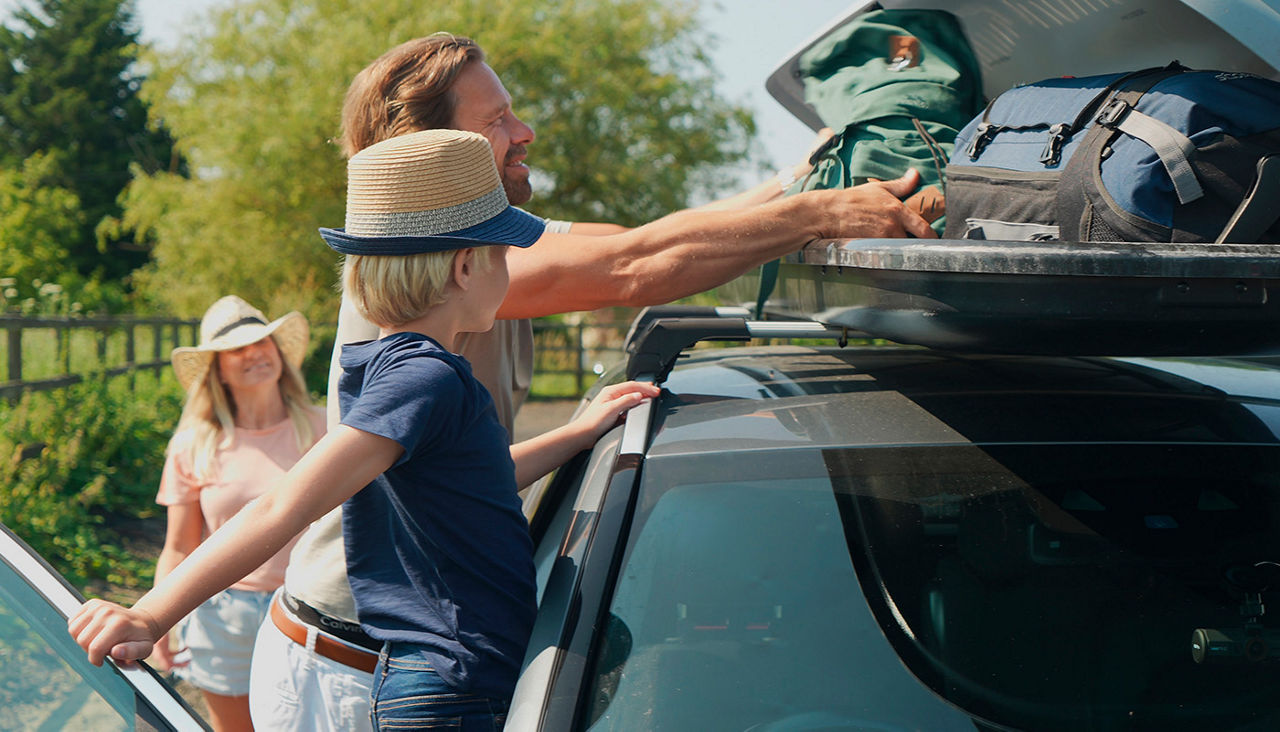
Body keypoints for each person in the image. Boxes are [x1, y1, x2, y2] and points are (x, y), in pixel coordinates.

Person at [252, 32, 938, 731]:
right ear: (433, 158)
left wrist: (797, 185)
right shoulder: (435, 259)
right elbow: (629, 270)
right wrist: (819, 216)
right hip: (361, 669)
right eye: (494, 123)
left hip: (410, 660)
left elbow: (636, 238)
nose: (524, 133)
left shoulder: (485, 238)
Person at [69, 128, 660, 729]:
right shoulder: (425, 380)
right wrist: (149, 616)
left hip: (445, 677)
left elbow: (476, 480)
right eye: (504, 253)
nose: (510, 269)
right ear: (464, 265)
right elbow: (281, 506)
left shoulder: (384, 368)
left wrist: (577, 434)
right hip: (453, 685)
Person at [150, 295, 326, 731]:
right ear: (218, 370)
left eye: (263, 342)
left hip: (310, 608)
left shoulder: (326, 429)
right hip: (223, 614)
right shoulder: (194, 444)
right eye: (237, 349)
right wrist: (158, 620)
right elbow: (179, 546)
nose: (254, 353)